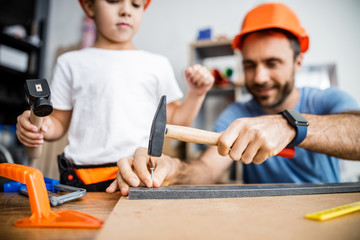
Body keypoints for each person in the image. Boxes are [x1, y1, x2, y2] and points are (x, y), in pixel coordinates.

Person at [107, 2, 360, 196]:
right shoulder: (236, 114)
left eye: (272, 63)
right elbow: (206, 169)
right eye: (250, 65)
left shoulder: (328, 101)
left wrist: (289, 126)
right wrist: (173, 170)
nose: (259, 77)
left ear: (298, 62)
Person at [16, 0, 214, 191]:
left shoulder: (157, 65)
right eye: (113, 1)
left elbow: (176, 120)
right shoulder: (70, 63)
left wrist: (196, 93)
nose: (126, 10)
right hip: (80, 178)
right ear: (89, 6)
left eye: (136, 4)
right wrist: (40, 126)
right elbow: (57, 122)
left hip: (137, 174)